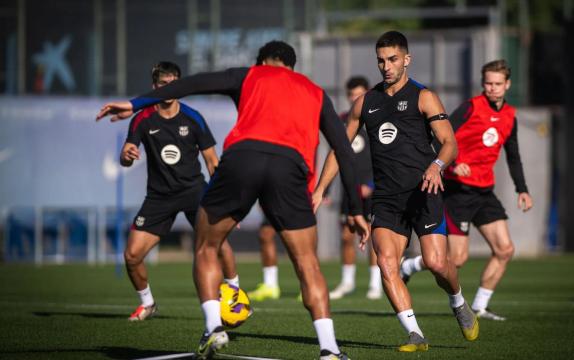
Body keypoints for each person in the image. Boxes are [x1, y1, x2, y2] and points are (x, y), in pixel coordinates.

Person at [96, 41, 369, 360]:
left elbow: (193, 83)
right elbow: (345, 153)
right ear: (292, 67)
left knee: (206, 245)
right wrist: (356, 209)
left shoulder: (250, 75)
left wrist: (137, 103)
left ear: (262, 61)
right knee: (307, 262)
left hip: (243, 158)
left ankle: (214, 328)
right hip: (289, 168)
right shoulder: (315, 91)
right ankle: (330, 349)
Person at [312, 31, 479, 352]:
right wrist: (320, 189)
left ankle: (458, 302)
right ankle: (415, 334)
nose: (386, 66)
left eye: (392, 60)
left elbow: (449, 143)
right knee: (386, 264)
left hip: (424, 191)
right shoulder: (366, 102)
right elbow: (340, 149)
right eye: (380, 60)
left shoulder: (424, 96)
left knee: (436, 263)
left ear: (406, 60)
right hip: (387, 199)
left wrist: (436, 166)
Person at [401, 59, 533, 321]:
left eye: (498, 84)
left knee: (505, 250)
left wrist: (523, 189)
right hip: (458, 191)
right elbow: (441, 136)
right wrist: (455, 163)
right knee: (457, 259)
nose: (492, 88)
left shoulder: (510, 116)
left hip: (484, 192)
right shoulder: (470, 108)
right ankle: (411, 265)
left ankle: (481, 306)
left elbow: (513, 155)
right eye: (488, 83)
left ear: (507, 85)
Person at [106, 61, 240, 321]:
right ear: (153, 87)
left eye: (173, 84)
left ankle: (234, 295)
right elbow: (126, 157)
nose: (168, 89)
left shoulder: (193, 117)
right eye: (162, 84)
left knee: (219, 243)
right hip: (159, 197)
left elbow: (213, 162)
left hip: (194, 192)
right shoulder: (143, 119)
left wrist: (223, 202)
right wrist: (126, 155)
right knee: (132, 256)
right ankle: (148, 304)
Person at [328, 76, 382, 300]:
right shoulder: (342, 121)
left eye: (358, 94)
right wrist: (327, 190)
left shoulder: (375, 120)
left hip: (371, 189)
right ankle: (348, 282)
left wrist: (372, 184)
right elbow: (334, 156)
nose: (354, 99)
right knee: (346, 236)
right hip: (349, 190)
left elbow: (382, 156)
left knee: (372, 237)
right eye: (351, 95)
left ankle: (375, 284)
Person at [246, 216, 281, 301]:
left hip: (296, 203)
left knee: (300, 236)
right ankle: (270, 285)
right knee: (265, 234)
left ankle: (309, 285)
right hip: (275, 203)